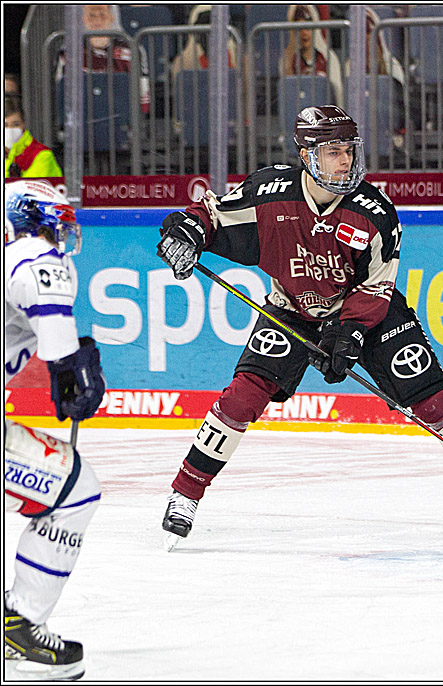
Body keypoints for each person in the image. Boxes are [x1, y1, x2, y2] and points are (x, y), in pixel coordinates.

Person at [155, 105, 443, 551]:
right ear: (306, 154)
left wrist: (349, 334)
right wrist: (187, 233)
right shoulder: (270, 193)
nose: (345, 161)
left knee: (432, 397)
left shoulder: (375, 213)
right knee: (243, 396)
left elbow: (377, 287)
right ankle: (185, 494)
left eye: (349, 151)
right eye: (333, 152)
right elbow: (213, 215)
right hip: (291, 309)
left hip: (367, 314)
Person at [4, 179, 105, 681]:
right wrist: (77, 371)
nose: (63, 237)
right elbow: (61, 357)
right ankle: (18, 625)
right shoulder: (37, 257)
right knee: (75, 491)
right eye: (58, 224)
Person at [55, 4, 150, 115]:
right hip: (81, 118)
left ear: (111, 17)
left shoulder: (132, 48)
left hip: (121, 117)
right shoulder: (69, 51)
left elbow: (143, 90)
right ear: (83, 19)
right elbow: (60, 91)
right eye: (91, 15)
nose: (97, 20)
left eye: (102, 15)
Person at [279, 4, 344, 106]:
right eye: (299, 28)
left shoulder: (329, 58)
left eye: (307, 28)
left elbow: (338, 95)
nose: (304, 33)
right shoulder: (287, 61)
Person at [5, 95, 63, 179]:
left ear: (24, 124)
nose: (10, 130)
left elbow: (26, 189)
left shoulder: (42, 155)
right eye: (5, 125)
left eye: (15, 124)